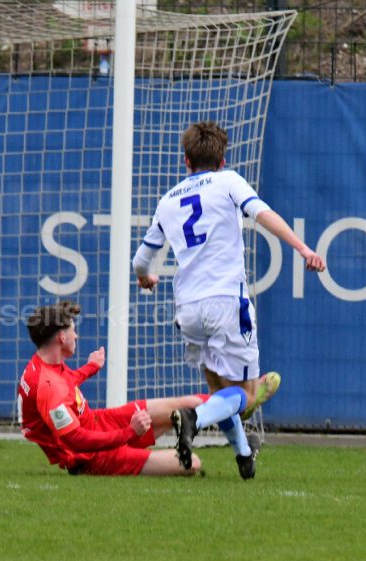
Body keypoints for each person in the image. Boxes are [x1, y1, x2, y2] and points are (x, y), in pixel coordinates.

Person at [132, 120, 326, 478]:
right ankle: (194, 419)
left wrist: (146, 278)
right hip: (225, 302)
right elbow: (262, 213)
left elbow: (140, 261)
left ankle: (242, 455)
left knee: (218, 388)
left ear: (185, 161)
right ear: (222, 160)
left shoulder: (168, 200)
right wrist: (302, 247)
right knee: (246, 396)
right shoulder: (229, 181)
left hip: (188, 308)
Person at [18, 300, 206, 477]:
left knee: (191, 404)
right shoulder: (49, 388)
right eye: (73, 331)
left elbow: (66, 382)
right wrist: (130, 432)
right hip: (91, 456)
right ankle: (165, 436)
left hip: (99, 422)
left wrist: (91, 367)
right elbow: (76, 440)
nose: (76, 335)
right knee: (192, 462)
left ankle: (228, 409)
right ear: (61, 337)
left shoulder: (46, 364)